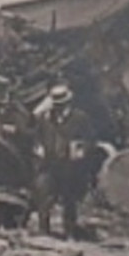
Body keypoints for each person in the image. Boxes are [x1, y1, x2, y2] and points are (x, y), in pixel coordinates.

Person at [31, 85, 95, 238]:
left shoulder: (80, 118)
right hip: (49, 165)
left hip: (70, 167)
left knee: (69, 198)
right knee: (43, 192)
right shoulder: (46, 119)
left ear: (67, 103)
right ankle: (43, 230)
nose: (57, 109)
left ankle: (70, 230)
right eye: (55, 105)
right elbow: (36, 138)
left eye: (60, 105)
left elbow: (91, 140)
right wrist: (38, 148)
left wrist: (81, 150)